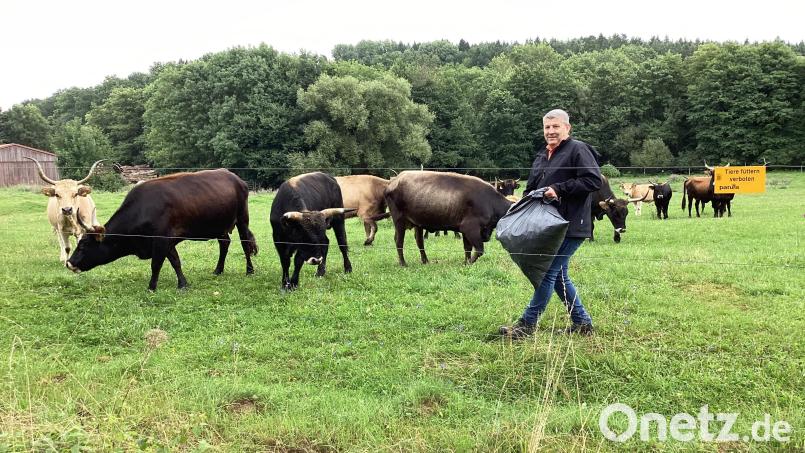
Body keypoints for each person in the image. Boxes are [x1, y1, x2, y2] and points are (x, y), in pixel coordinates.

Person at [500, 109, 602, 339]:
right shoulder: (542, 155)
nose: (551, 131)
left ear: (567, 128)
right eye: (547, 127)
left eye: (555, 126)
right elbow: (531, 187)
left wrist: (559, 189)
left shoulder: (578, 150)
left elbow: (593, 180)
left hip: (570, 223)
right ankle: (583, 323)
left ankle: (526, 325)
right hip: (546, 225)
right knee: (558, 276)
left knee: (547, 272)